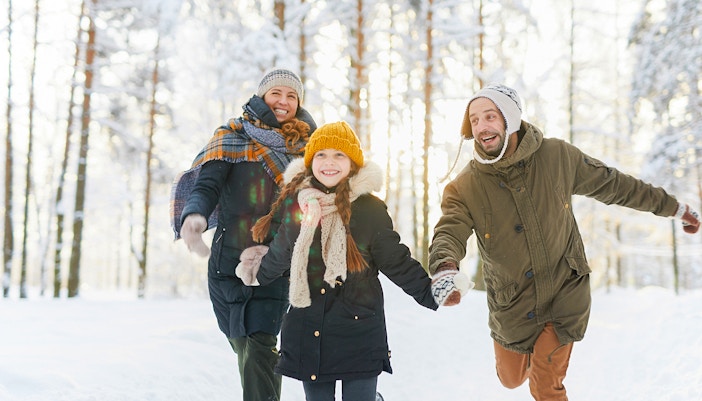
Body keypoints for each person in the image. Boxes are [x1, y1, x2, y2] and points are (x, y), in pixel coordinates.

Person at [428, 83, 700, 401]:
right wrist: (445, 267)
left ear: (510, 119)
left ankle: (547, 361)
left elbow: (617, 186)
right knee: (510, 378)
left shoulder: (557, 156)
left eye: (490, 116)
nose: (482, 127)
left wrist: (675, 208)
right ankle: (536, 356)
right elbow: (450, 229)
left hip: (564, 292)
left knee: (545, 386)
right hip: (512, 303)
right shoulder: (465, 186)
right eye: (474, 120)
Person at [234, 121, 470, 401]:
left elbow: (396, 260)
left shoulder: (369, 210)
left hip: (358, 329)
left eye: (339, 155)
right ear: (310, 162)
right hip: (310, 329)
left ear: (352, 163)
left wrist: (430, 291)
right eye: (321, 155)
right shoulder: (299, 205)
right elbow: (283, 249)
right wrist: (255, 274)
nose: (329, 162)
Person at [170, 68, 317, 401]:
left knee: (260, 344)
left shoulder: (309, 148)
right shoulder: (231, 137)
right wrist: (194, 215)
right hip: (226, 263)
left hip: (276, 262)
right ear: (262, 96)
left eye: (292, 96)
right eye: (276, 93)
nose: (283, 101)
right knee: (243, 344)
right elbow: (207, 185)